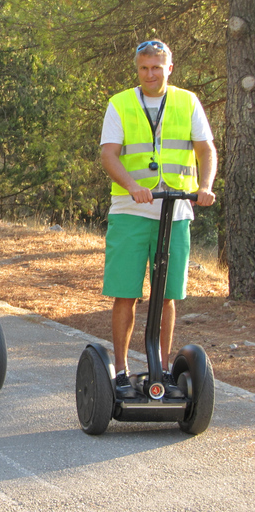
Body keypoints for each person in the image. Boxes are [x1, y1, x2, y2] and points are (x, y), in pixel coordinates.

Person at [100, 40, 217, 398]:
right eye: (144, 68)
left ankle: (162, 368)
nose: (150, 74)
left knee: (166, 297)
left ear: (169, 67)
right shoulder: (120, 103)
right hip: (131, 211)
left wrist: (205, 185)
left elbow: (205, 148)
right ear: (138, 69)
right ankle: (120, 369)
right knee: (125, 294)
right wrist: (133, 185)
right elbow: (109, 155)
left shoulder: (187, 101)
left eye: (157, 67)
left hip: (176, 210)